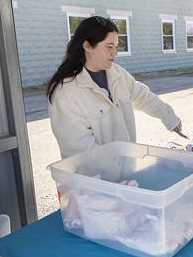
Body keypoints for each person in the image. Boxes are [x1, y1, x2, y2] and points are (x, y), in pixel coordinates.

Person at [48, 16, 185, 158]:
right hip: (93, 177)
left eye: (115, 46)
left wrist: (169, 118)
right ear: (87, 46)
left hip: (124, 169)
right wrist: (117, 173)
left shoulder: (117, 73)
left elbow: (143, 96)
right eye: (109, 46)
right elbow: (79, 150)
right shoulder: (66, 91)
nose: (115, 52)